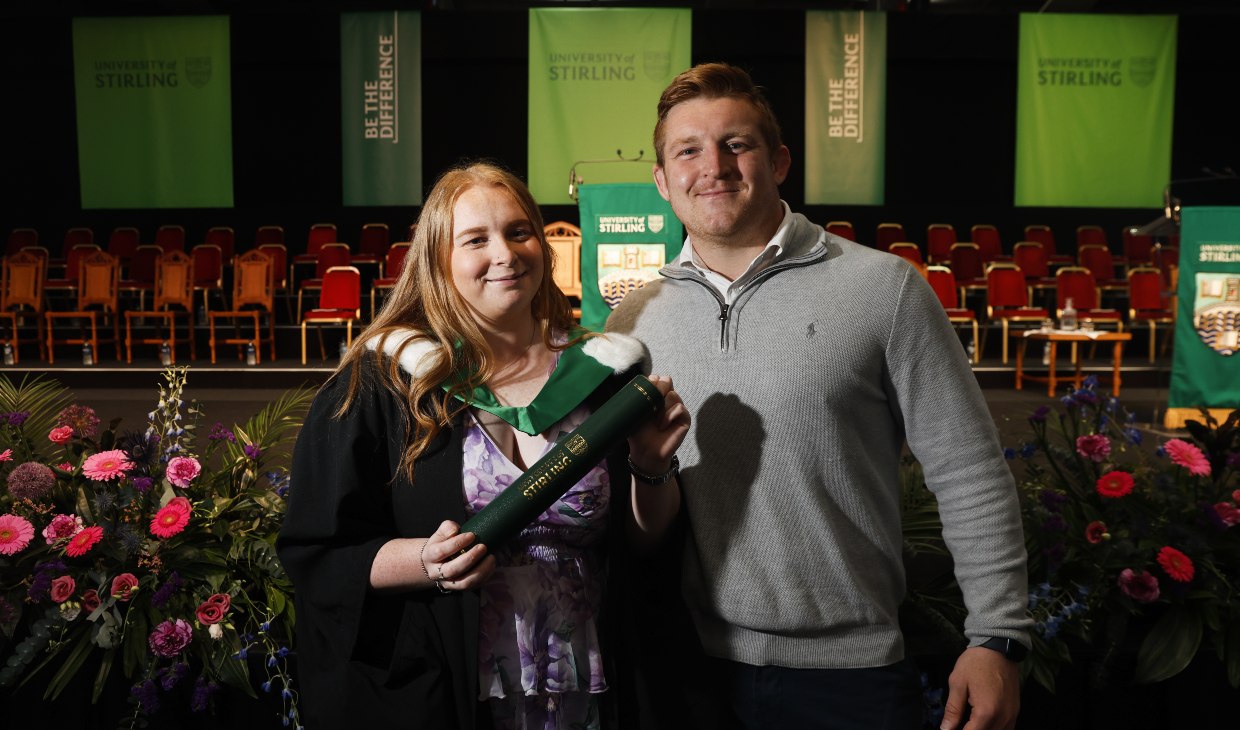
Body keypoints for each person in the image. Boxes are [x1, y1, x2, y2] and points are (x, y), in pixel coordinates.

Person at [605, 63, 1031, 730]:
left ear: (778, 160)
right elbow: (634, 510)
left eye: (736, 143)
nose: (712, 165)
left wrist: (997, 638)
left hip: (851, 678)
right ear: (662, 180)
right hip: (689, 671)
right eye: (687, 150)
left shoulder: (883, 289)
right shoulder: (634, 320)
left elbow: (969, 470)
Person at [277, 161, 690, 729]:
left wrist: (649, 466)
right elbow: (320, 550)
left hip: (585, 674)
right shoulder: (386, 384)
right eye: (476, 239)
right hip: (446, 680)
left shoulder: (605, 374)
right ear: (438, 261)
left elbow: (641, 548)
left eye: (519, 231)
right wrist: (423, 561)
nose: (506, 253)